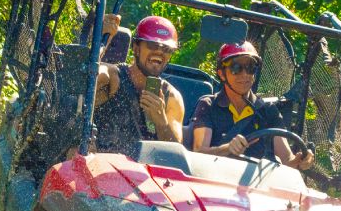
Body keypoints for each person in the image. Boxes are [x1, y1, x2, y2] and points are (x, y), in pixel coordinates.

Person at [190, 42, 314, 170]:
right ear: (221, 74)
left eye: (250, 68)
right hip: (214, 181)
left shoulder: (268, 110)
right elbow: (198, 153)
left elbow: (287, 160)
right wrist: (227, 149)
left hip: (255, 186)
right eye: (236, 68)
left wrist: (302, 160)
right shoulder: (208, 105)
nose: (244, 74)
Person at [91, 15, 186, 155]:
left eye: (166, 49)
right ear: (136, 48)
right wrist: (100, 40)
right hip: (99, 169)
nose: (159, 52)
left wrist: (161, 122)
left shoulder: (172, 98)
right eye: (152, 45)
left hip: (143, 175)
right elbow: (84, 81)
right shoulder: (113, 77)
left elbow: (176, 155)